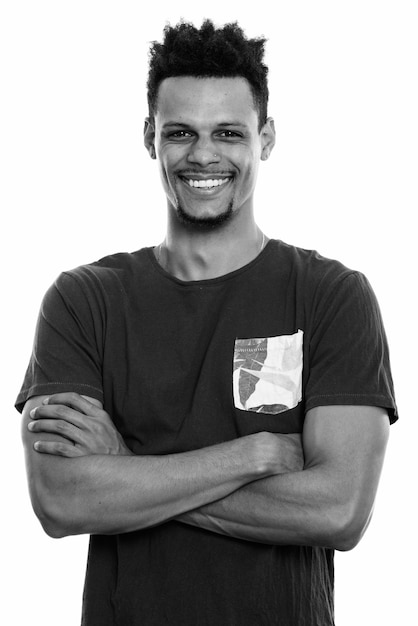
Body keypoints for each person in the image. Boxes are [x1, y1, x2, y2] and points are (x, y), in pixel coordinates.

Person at [17, 19, 397, 626]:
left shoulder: (332, 297)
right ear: (149, 138)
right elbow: (62, 499)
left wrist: (128, 468)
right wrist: (254, 455)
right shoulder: (83, 301)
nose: (203, 155)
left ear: (265, 138)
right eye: (180, 132)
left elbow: (339, 511)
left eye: (228, 132)